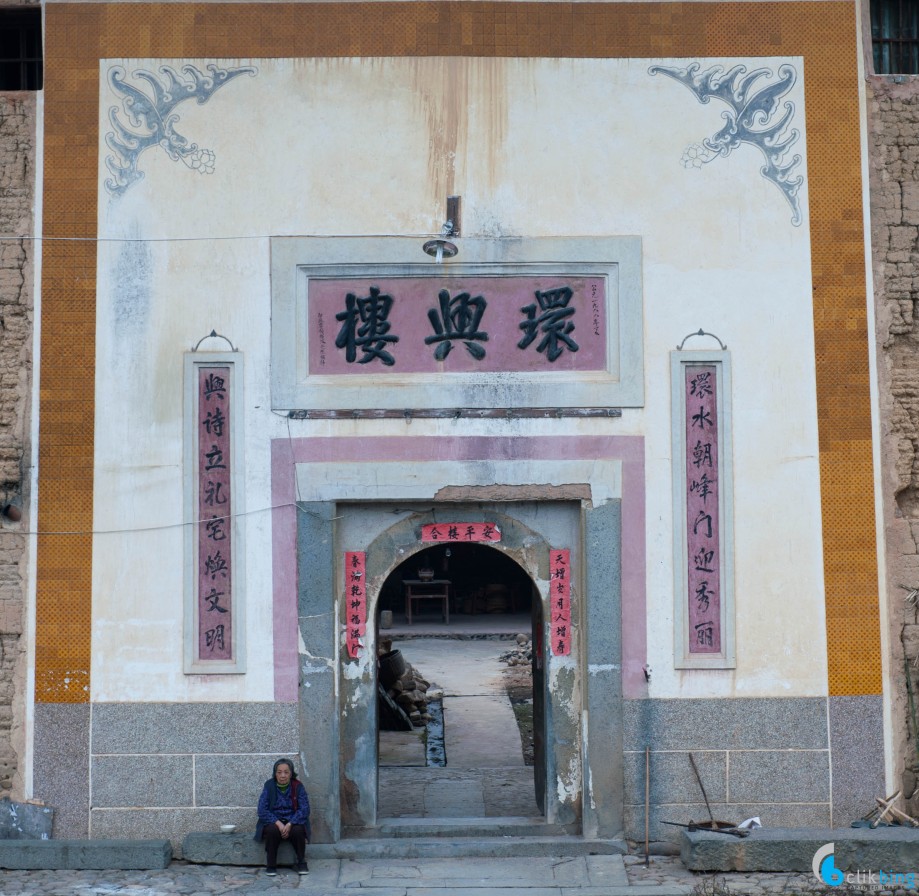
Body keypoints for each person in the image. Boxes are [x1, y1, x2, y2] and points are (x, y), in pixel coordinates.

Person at [254, 758, 311, 876]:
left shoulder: (298, 786)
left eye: (286, 772)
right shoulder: (269, 785)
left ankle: (301, 863)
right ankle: (271, 865)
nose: (283, 775)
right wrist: (278, 823)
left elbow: (305, 809)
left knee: (298, 830)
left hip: (292, 821)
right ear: (275, 773)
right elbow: (261, 810)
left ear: (291, 773)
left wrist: (290, 824)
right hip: (274, 821)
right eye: (279, 772)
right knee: (271, 830)